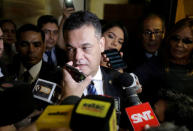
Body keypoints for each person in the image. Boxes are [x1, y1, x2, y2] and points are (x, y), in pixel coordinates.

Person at [62, 11, 142, 130]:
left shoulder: (121, 81)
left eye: (86, 47)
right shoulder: (52, 82)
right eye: (70, 49)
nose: (78, 57)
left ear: (101, 44)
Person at [134, 17, 193, 102]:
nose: (179, 44)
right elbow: (133, 80)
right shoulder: (156, 63)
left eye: (187, 41)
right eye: (175, 38)